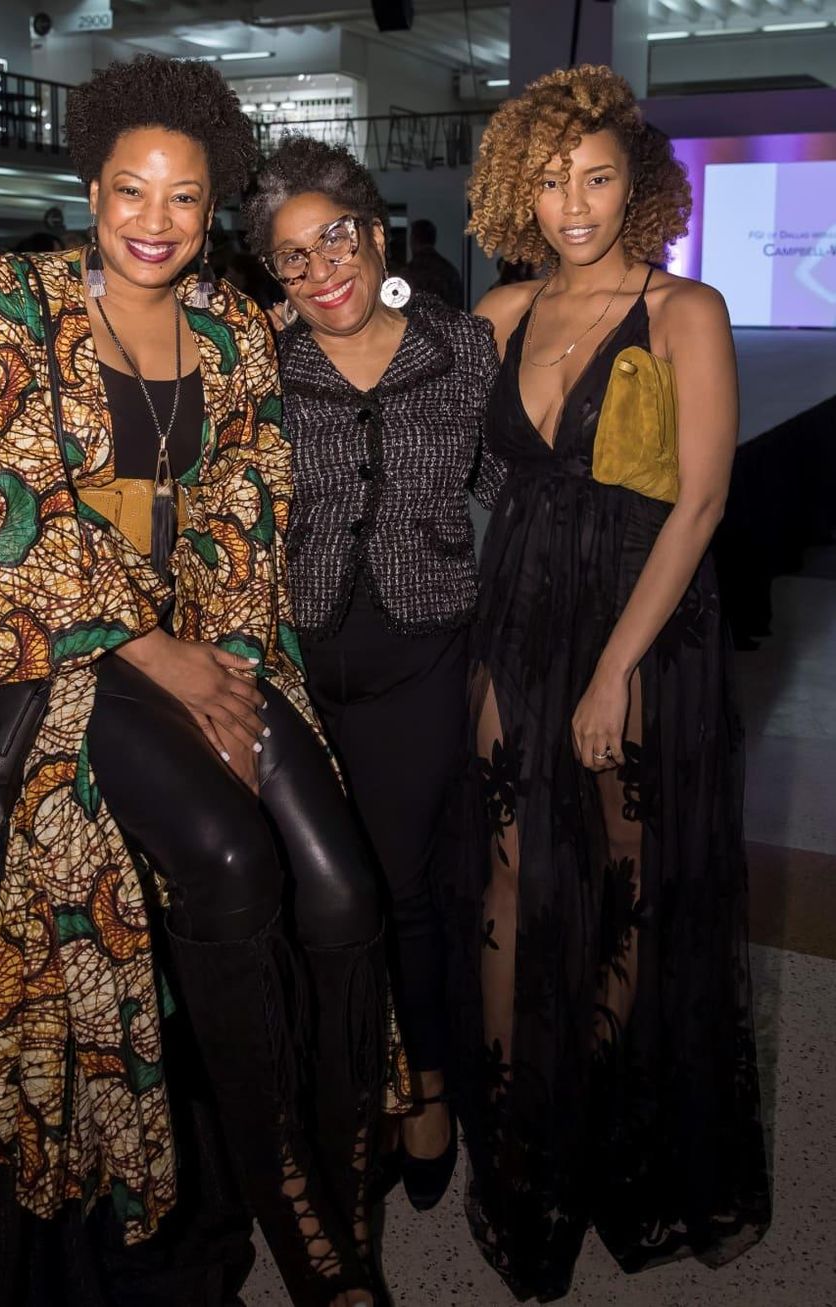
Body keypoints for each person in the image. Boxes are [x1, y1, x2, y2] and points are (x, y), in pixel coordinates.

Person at [0, 56, 384, 1307]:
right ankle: (304, 1226)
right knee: (226, 857)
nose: (155, 221)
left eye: (185, 199)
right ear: (90, 189)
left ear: (213, 210)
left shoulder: (231, 329)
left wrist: (208, 640)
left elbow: (245, 500)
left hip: (205, 634)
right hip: (39, 656)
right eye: (130, 192)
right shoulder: (10, 300)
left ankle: (344, 1168)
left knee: (342, 882)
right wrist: (146, 645)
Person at [448, 64, 772, 1301]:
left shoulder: (682, 307)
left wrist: (610, 672)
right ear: (513, 188)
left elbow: (699, 503)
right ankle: (522, 1135)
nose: (570, 202)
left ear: (635, 183)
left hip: (638, 625)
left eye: (593, 176)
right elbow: (383, 378)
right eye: (545, 178)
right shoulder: (498, 308)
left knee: (631, 876)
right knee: (508, 865)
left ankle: (599, 1104)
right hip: (516, 610)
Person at [243, 137, 505, 1214]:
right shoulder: (257, 366)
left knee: (408, 887)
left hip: (419, 654)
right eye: (291, 259)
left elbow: (516, 483)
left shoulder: (462, 349)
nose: (319, 270)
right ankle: (343, 1081)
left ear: (377, 233)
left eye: (333, 239)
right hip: (290, 665)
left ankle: (427, 1085)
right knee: (313, 891)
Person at [399, 217, 464, 309]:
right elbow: (458, 307)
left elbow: (400, 309)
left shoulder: (409, 272)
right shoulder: (449, 271)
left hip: (415, 322)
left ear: (414, 239)